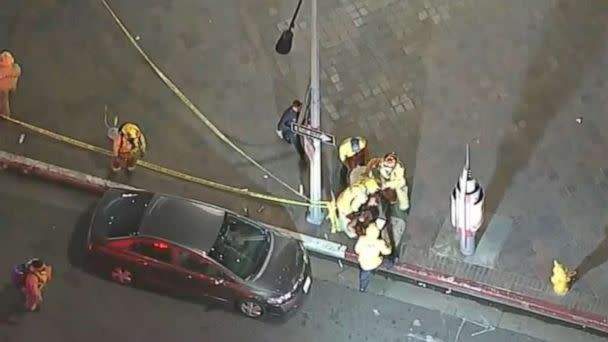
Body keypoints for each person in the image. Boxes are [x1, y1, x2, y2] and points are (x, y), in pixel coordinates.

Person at [354, 224, 393, 292]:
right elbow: (386, 252)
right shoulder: (380, 242)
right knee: (388, 261)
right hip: (375, 262)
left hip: (363, 263)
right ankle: (390, 265)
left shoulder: (362, 239)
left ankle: (362, 287)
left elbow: (357, 250)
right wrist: (390, 247)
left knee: (364, 276)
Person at [0, 50, 21, 117]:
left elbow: (14, 72)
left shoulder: (14, 68)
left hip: (5, 89)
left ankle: (4, 114)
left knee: (4, 98)